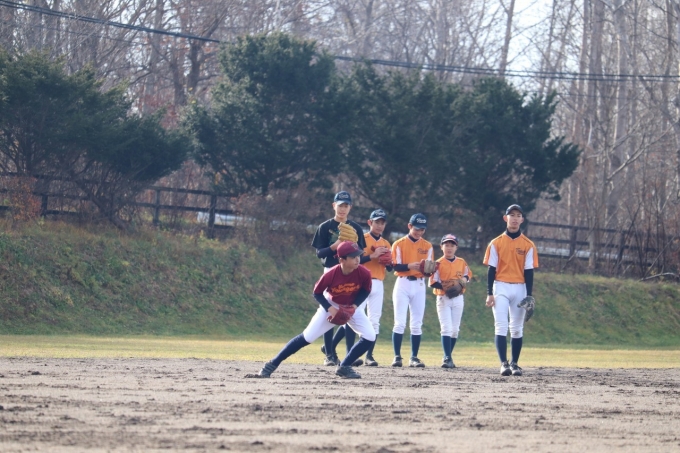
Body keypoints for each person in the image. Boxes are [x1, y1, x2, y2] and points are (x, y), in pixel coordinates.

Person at [257, 241, 376, 379]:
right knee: (308, 337)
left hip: (351, 306)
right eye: (353, 257)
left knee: (369, 336)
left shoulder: (364, 273)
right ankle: (271, 365)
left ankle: (344, 366)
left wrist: (354, 307)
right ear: (342, 260)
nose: (357, 259)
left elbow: (365, 290)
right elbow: (317, 293)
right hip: (332, 304)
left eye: (358, 255)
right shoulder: (331, 274)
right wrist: (330, 309)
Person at [311, 191, 374, 366]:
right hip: (331, 271)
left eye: (346, 206)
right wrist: (336, 246)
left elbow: (360, 252)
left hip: (351, 273)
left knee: (349, 312)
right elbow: (319, 253)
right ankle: (329, 355)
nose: (342, 209)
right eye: (340, 205)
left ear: (350, 207)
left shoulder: (355, 228)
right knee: (329, 312)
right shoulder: (325, 227)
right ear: (334, 206)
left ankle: (348, 355)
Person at [483, 204, 539, 377]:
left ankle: (514, 363)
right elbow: (491, 269)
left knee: (516, 328)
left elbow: (529, 271)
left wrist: (529, 295)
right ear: (505, 218)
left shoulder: (528, 245)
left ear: (522, 219)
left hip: (520, 287)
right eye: (511, 215)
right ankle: (504, 364)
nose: (515, 218)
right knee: (501, 326)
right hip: (500, 286)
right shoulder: (496, 243)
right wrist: (489, 293)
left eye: (518, 215)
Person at [390, 213, 433, 368]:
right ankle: (397, 356)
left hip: (419, 284)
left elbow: (429, 269)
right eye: (417, 228)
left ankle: (414, 357)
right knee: (399, 322)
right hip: (403, 282)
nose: (419, 232)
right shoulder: (399, 244)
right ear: (409, 226)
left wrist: (430, 270)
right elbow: (395, 266)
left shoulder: (427, 246)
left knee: (416, 323)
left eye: (422, 229)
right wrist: (410, 266)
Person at [429, 234, 471, 369]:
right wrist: (447, 287)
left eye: (452, 245)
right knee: (446, 328)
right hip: (443, 298)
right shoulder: (438, 263)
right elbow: (432, 282)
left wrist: (462, 281)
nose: (449, 248)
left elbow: (467, 275)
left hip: (458, 298)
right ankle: (447, 357)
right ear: (441, 247)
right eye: (446, 245)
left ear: (456, 247)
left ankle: (448, 356)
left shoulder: (461, 262)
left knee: (455, 330)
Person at [357, 209, 392, 366]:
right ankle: (352, 352)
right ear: (369, 222)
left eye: (382, 223)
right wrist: (373, 255)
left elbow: (390, 268)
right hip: (361, 281)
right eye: (377, 222)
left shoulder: (386, 243)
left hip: (378, 282)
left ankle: (369, 356)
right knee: (356, 317)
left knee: (374, 320)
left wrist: (389, 262)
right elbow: (356, 260)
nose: (379, 225)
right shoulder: (362, 239)